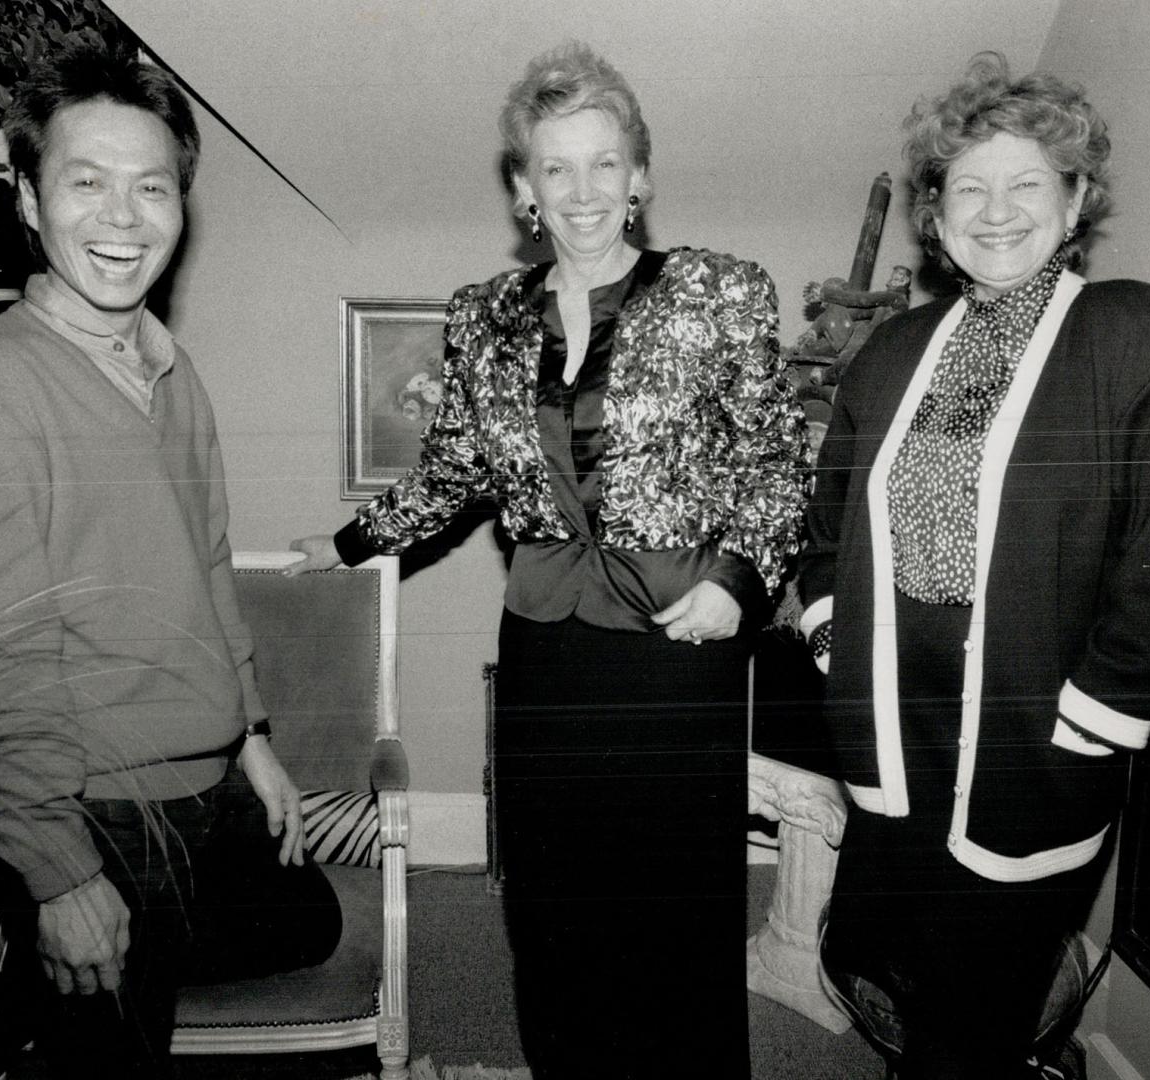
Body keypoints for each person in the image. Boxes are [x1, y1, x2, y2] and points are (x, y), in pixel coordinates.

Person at [288, 40, 810, 1080]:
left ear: (639, 179)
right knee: (553, 905)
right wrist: (343, 544)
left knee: (672, 911)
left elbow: (776, 465)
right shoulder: (483, 313)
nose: (581, 191)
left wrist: (734, 584)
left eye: (603, 164)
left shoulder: (719, 292)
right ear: (525, 187)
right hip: (544, 651)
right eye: (555, 168)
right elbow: (453, 475)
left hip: (675, 646)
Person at [0, 42, 340, 1078]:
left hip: (200, 777)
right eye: (85, 182)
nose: (122, 217)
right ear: (26, 198)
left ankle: (18, 996)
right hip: (97, 803)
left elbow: (205, 561)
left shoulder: (164, 362)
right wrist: (56, 879)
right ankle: (38, 987)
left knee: (304, 922)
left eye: (150, 187)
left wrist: (252, 739)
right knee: (113, 1050)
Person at [798, 53, 1150, 1078]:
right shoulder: (892, 350)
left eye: (1025, 184)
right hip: (895, 721)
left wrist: (1094, 718)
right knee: (884, 966)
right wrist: (828, 636)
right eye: (966, 188)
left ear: (1073, 199)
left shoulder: (1130, 334)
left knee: (978, 1002)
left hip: (1034, 735)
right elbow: (825, 520)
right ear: (934, 214)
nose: (994, 212)